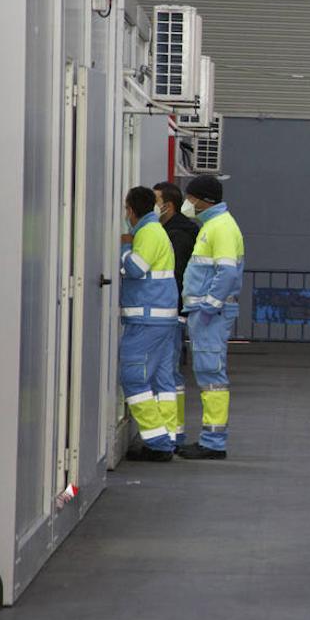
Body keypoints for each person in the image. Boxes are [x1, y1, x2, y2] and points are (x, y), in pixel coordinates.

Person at [177, 174, 244, 460]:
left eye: (190, 198)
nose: (187, 203)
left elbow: (227, 272)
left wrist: (209, 305)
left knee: (211, 375)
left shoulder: (221, 228)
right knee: (208, 373)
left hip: (210, 315)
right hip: (206, 313)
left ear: (204, 200)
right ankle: (211, 439)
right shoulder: (214, 225)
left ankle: (213, 442)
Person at [118, 186, 181, 462]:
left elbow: (136, 268)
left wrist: (123, 248)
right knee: (161, 379)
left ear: (131, 209)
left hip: (147, 317)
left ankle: (157, 442)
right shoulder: (157, 231)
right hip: (161, 317)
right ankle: (169, 435)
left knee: (133, 376)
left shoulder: (147, 233)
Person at [154, 180, 199, 445]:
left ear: (167, 206)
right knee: (169, 372)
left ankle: (171, 433)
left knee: (167, 372)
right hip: (175, 310)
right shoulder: (182, 230)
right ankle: (174, 431)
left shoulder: (176, 235)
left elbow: (175, 274)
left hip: (171, 311)